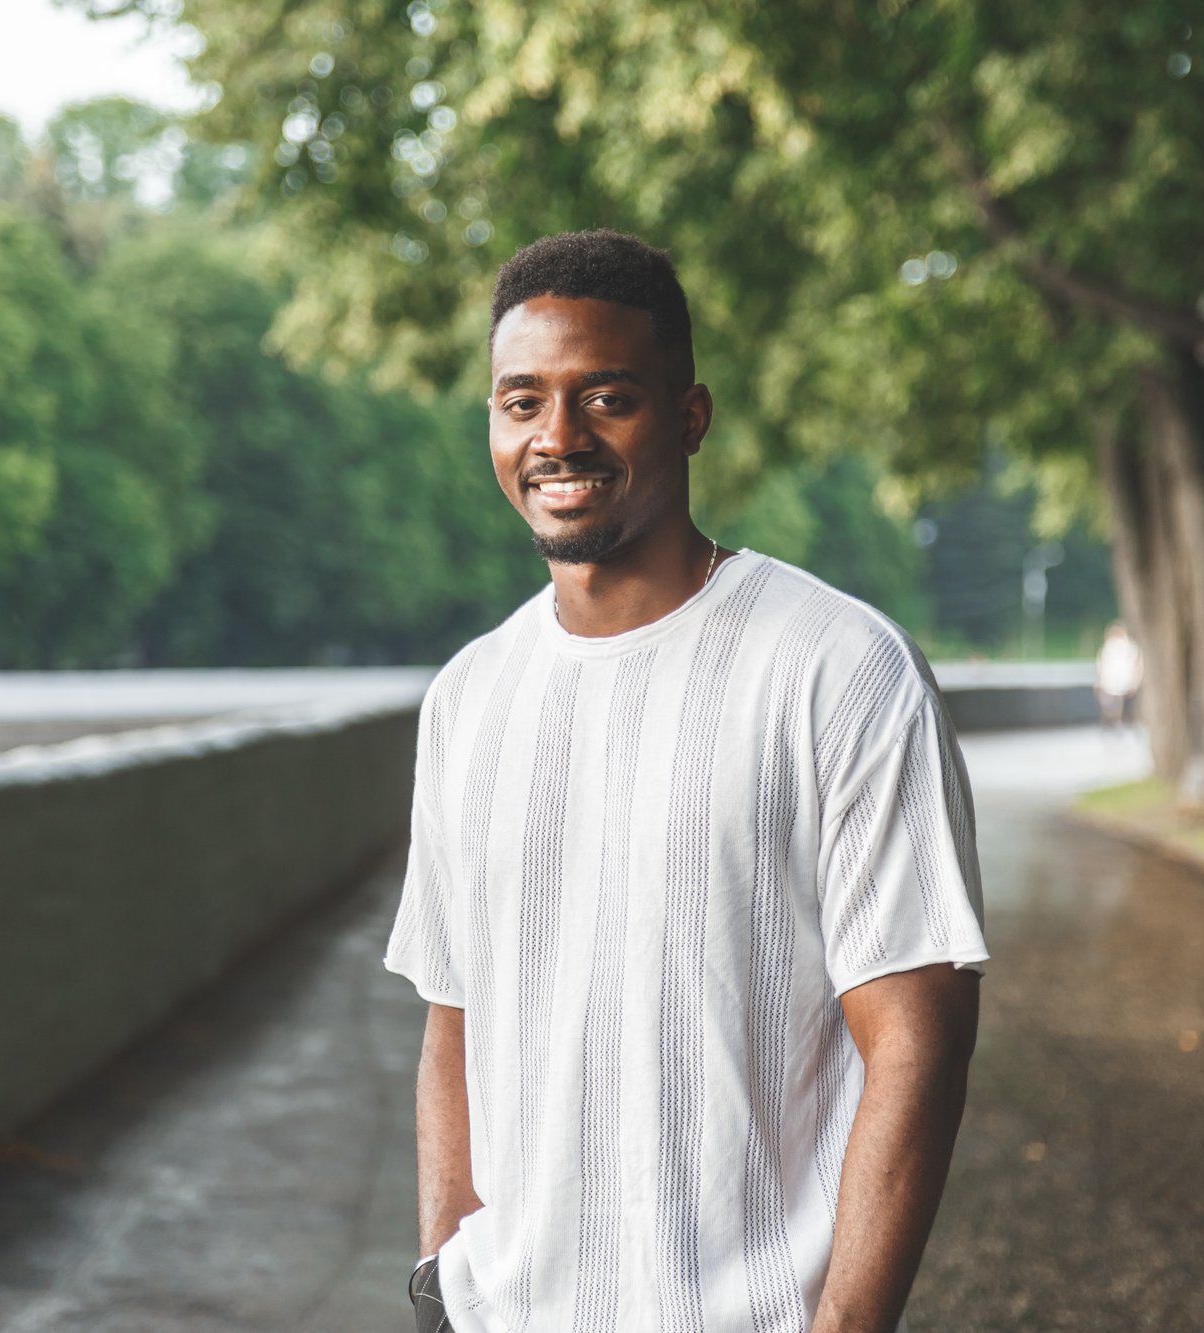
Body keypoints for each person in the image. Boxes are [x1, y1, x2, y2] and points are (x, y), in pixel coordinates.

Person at [385, 230, 988, 1333]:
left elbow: (916, 1035)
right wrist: (442, 1283)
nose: (556, 436)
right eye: (520, 402)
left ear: (689, 415)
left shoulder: (837, 667)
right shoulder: (467, 697)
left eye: (603, 397)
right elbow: (453, 1014)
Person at [1094, 620, 1144, 731]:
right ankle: (1116, 724)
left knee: (1123, 708)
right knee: (1113, 707)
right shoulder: (1109, 648)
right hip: (1114, 683)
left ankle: (1122, 724)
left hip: (1121, 683)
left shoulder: (1129, 648)